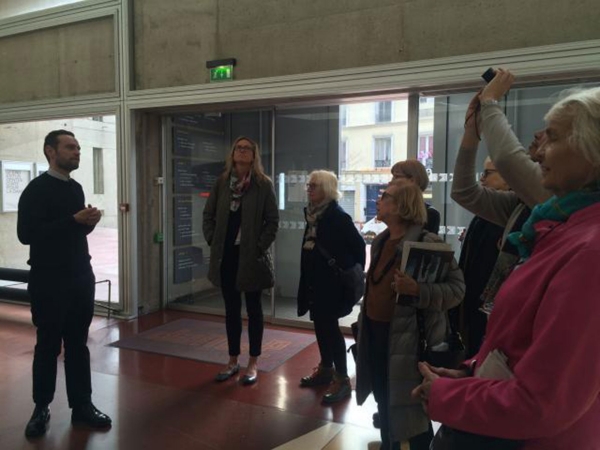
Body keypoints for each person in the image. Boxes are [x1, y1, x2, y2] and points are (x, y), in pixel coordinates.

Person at [413, 86, 600, 449]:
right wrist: (472, 374)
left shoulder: (589, 250)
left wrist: (489, 105)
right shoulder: (554, 223)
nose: (539, 151)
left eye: (554, 137)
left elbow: (545, 402)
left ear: (592, 151)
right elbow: (525, 347)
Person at [354, 182, 465, 450]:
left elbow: (457, 290)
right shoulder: (381, 240)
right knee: (383, 399)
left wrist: (418, 290)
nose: (378, 200)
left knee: (411, 413)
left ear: (401, 206)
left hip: (409, 344)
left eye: (385, 196)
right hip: (375, 336)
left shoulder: (427, 243)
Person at [17, 130, 112, 438]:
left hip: (79, 277)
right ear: (50, 151)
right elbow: (26, 235)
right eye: (70, 147)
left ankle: (82, 405)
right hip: (48, 279)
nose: (77, 152)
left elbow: (73, 232)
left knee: (78, 344)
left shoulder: (75, 188)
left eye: (79, 148)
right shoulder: (35, 190)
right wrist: (73, 220)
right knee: (47, 345)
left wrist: (88, 223)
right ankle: (41, 408)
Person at [451, 69, 553, 314]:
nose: (538, 134)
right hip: (500, 313)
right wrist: (472, 131)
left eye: (552, 133)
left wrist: (490, 101)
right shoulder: (523, 206)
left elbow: (507, 158)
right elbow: (464, 192)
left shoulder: (559, 196)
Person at [202, 136, 279, 385]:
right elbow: (208, 215)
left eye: (247, 148)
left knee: (254, 310)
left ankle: (253, 362)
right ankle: (232, 359)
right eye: (239, 148)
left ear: (254, 155)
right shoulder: (222, 182)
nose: (242, 151)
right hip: (226, 256)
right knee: (231, 310)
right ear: (233, 153)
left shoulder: (263, 184)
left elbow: (272, 221)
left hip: (251, 257)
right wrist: (213, 240)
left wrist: (259, 247)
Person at [297, 170, 366, 403]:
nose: (309, 189)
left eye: (314, 185)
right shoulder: (313, 215)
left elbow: (358, 248)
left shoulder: (337, 216)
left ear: (326, 189)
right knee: (320, 324)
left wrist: (348, 272)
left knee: (331, 328)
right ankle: (326, 368)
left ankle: (342, 378)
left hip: (331, 284)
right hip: (314, 281)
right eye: (309, 185)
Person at [454, 157, 509, 357]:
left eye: (488, 173)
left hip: (493, 309)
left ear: (510, 177)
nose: (482, 179)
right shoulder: (484, 215)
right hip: (473, 303)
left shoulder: (511, 217)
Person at [391, 159, 440, 234]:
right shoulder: (392, 208)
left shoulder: (431, 214)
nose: (391, 181)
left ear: (412, 180)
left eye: (397, 177)